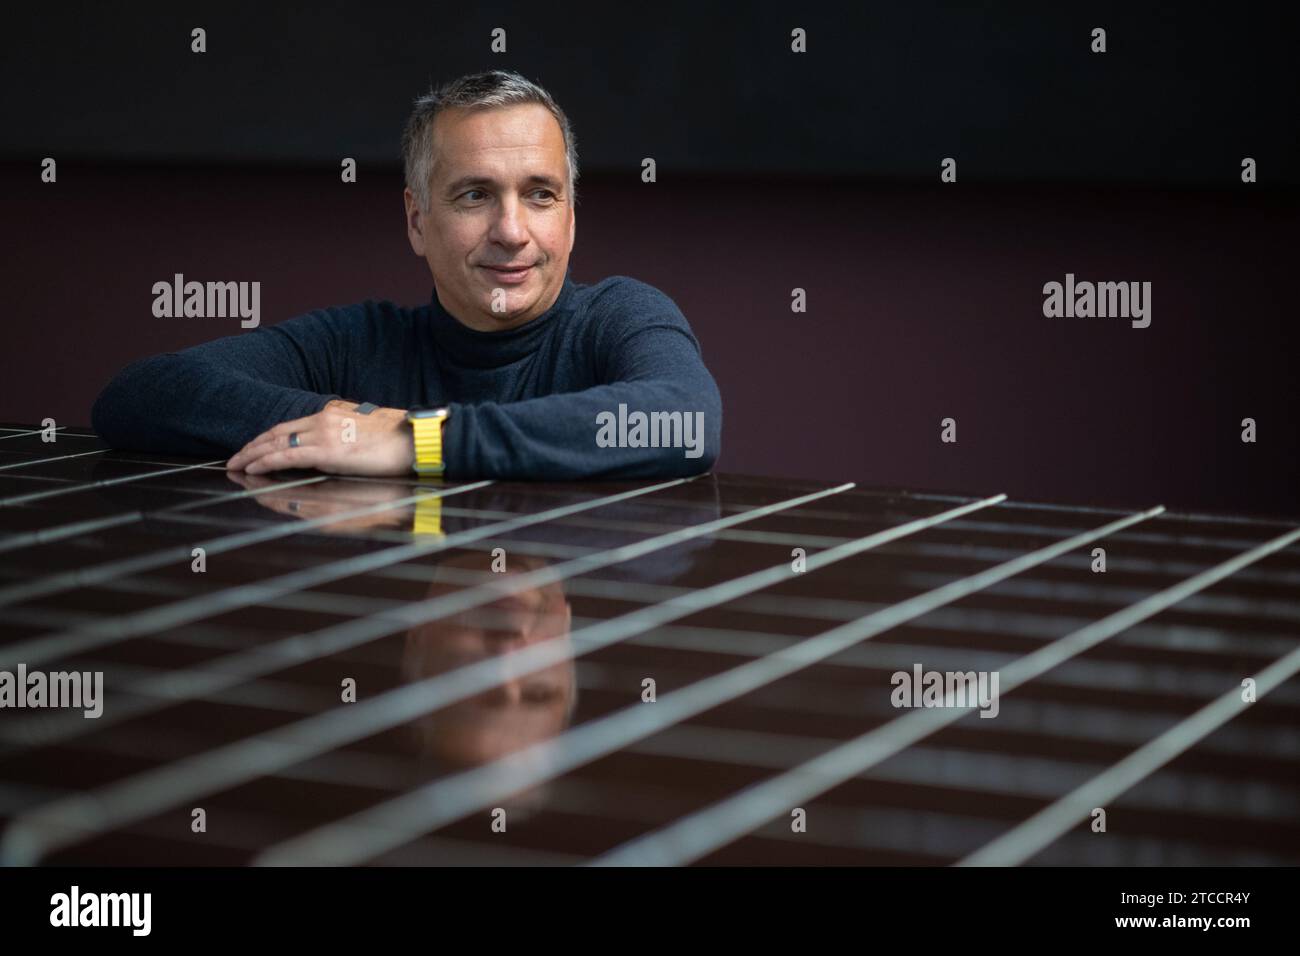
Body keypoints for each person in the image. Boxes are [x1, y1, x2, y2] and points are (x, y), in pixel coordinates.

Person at [91, 69, 722, 480]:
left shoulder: (620, 317)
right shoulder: (358, 344)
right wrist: (344, 422)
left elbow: (687, 420)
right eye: (475, 195)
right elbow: (140, 395)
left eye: (540, 195)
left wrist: (415, 439)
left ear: (572, 219)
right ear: (417, 222)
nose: (511, 230)